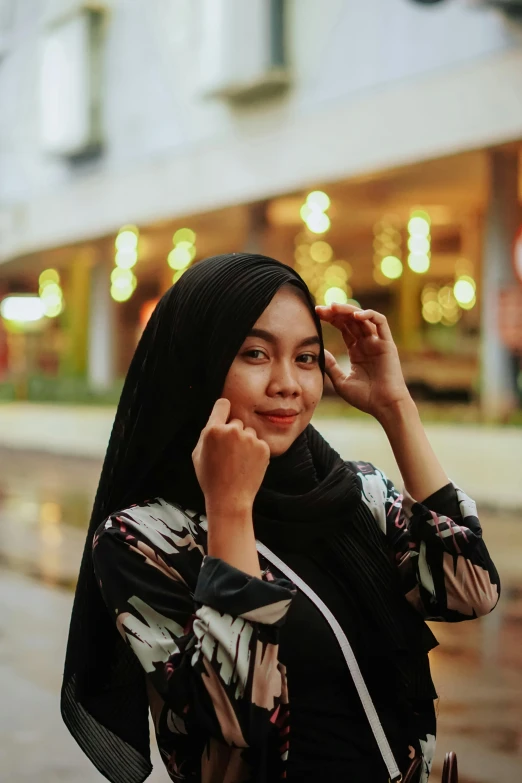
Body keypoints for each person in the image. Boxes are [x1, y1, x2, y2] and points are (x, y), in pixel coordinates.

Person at [61, 253, 499, 783]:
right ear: (197, 365)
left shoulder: (352, 490)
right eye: (254, 353)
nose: (288, 383)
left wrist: (396, 405)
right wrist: (230, 507)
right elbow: (240, 717)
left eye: (307, 358)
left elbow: (469, 589)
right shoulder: (143, 538)